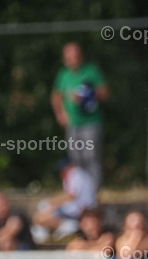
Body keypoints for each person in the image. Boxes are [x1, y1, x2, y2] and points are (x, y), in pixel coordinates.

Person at [51, 42, 109, 187]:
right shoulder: (63, 75)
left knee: (91, 158)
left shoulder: (91, 71)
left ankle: (93, 193)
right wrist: (61, 114)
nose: (73, 59)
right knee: (76, 160)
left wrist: (86, 95)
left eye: (75, 56)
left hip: (91, 123)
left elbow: (105, 93)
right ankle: (81, 193)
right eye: (69, 57)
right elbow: (57, 96)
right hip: (73, 124)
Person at [31, 160, 98, 241]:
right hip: (77, 209)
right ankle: (58, 228)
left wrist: (50, 202)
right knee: (40, 216)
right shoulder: (78, 174)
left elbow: (71, 195)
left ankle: (66, 226)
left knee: (40, 217)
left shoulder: (75, 174)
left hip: (79, 211)